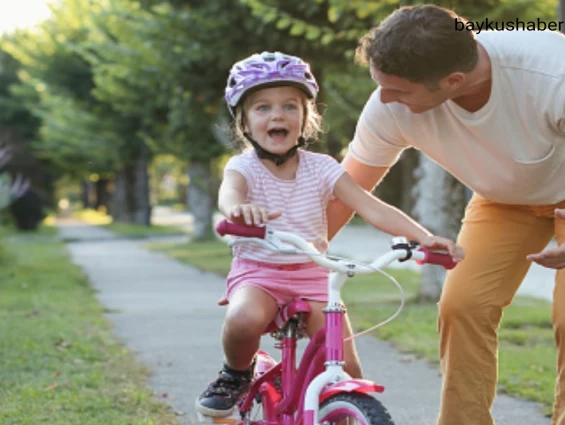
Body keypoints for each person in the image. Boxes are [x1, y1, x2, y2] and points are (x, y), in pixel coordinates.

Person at [326, 5, 565, 425]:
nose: (384, 99)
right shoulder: (389, 105)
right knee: (462, 305)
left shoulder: (553, 74)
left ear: (453, 82)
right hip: (503, 199)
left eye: (399, 91)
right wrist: (296, 259)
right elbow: (347, 192)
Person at [195, 51, 465, 418]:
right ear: (243, 122)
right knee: (243, 320)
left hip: (313, 274)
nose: (277, 115)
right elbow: (230, 193)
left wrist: (423, 237)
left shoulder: (322, 168)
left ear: (306, 118)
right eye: (262, 108)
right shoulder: (242, 167)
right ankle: (235, 374)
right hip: (259, 272)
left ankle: (341, 408)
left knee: (347, 367)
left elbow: (371, 206)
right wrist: (238, 210)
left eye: (290, 106)